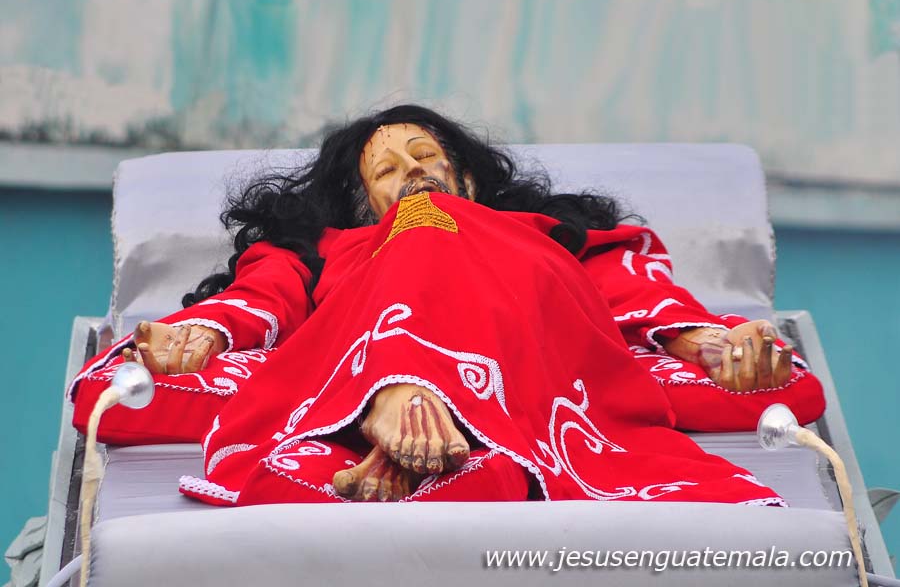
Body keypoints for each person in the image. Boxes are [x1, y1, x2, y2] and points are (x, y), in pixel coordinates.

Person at [71, 105, 824, 504]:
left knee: (432, 227)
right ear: (361, 205)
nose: (414, 175)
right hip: (359, 353)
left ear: (465, 175)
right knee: (421, 230)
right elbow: (254, 301)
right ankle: (417, 408)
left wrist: (711, 347)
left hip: (531, 365)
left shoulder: (553, 236)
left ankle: (400, 410)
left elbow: (645, 300)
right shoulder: (324, 249)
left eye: (427, 157)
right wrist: (200, 336)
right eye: (388, 171)